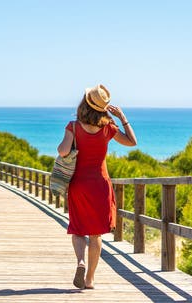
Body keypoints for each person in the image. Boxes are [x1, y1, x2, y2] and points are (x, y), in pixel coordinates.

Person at [57, 84, 137, 289]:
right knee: (96, 234)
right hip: (100, 186)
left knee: (78, 229)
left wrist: (68, 142)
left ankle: (80, 262)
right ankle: (90, 279)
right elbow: (131, 142)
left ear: (84, 104)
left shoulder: (73, 127)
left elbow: (64, 151)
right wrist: (122, 117)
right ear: (102, 108)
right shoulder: (108, 128)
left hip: (79, 185)